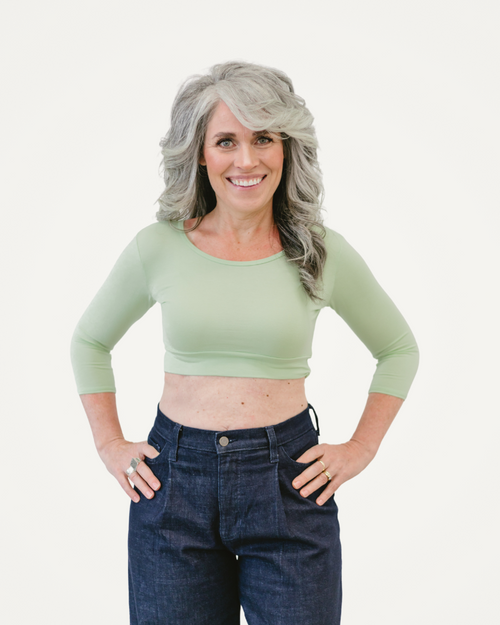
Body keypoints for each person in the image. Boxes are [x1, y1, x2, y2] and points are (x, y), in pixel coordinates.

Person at [70, 61, 419, 625]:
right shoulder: (157, 248)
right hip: (173, 480)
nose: (247, 160)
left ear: (287, 149)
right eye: (226, 141)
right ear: (200, 153)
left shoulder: (320, 252)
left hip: (288, 479)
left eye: (264, 139)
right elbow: (89, 340)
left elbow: (398, 348)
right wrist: (109, 444)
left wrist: (361, 448)